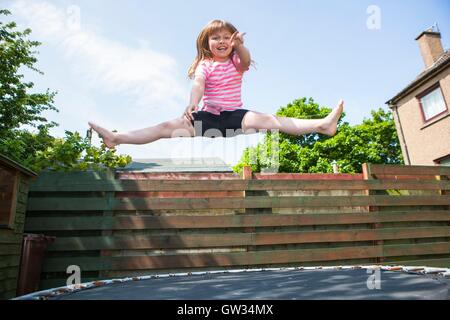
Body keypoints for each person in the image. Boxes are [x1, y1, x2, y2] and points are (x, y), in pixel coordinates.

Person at [88, 19, 344, 148]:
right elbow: (198, 84)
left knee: (270, 120)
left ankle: (322, 125)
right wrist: (191, 104)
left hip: (235, 117)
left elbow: (246, 61)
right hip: (207, 118)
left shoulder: (235, 60)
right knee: (166, 126)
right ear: (206, 43)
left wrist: (241, 45)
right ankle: (116, 138)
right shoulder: (205, 64)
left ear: (232, 41)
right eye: (215, 38)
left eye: (226, 37)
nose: (222, 41)